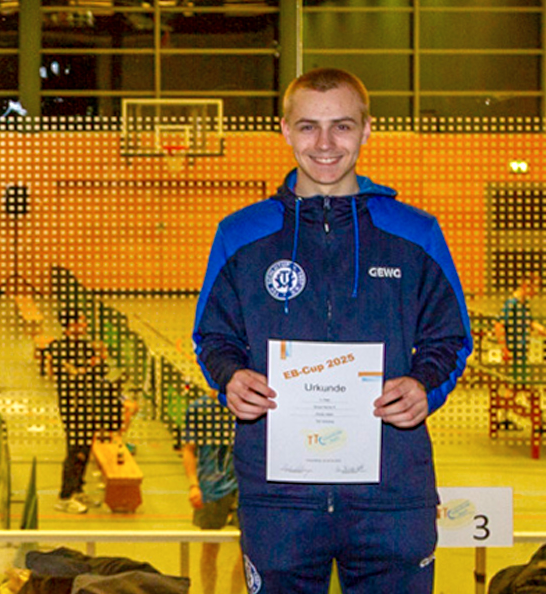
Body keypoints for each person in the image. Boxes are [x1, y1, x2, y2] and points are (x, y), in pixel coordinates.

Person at [193, 67, 471, 593]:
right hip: (279, 496)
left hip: (391, 491)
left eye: (341, 126)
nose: (324, 144)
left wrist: (424, 386)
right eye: (308, 127)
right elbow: (213, 337)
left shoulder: (415, 232)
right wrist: (230, 377)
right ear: (285, 130)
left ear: (367, 129)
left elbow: (449, 339)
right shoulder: (241, 233)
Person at [45, 305, 133, 514]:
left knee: (85, 449)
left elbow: (101, 370)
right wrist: (91, 367)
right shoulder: (59, 348)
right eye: (81, 321)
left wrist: (96, 364)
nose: (85, 325)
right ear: (70, 325)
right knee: (74, 449)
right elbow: (72, 375)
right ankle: (64, 496)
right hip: (72, 406)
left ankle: (78, 489)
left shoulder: (86, 347)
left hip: (89, 405)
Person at [180, 393, 243, 594]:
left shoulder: (243, 406)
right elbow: (188, 449)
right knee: (209, 547)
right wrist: (194, 485)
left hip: (243, 488)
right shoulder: (199, 409)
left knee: (246, 549)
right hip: (210, 488)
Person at [495, 273, 546, 386]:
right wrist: (504, 348)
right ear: (525, 285)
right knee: (515, 384)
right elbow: (499, 325)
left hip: (522, 350)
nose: (536, 292)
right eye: (534, 288)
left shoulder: (524, 304)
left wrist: (541, 329)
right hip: (512, 351)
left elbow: (528, 321)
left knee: (518, 385)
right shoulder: (512, 304)